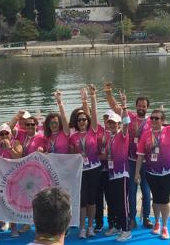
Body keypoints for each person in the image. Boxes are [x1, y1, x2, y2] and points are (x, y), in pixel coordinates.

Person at [135, 106, 170, 240]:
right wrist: (136, 173)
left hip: (168, 172)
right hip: (151, 172)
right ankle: (157, 223)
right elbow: (140, 156)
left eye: (157, 118)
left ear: (162, 120)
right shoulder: (145, 135)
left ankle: (165, 227)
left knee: (164, 200)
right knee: (155, 198)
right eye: (152, 118)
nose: (153, 120)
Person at [105, 82, 153, 229]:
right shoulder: (130, 117)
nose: (141, 108)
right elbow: (115, 108)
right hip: (131, 161)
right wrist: (108, 93)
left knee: (146, 191)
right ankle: (132, 218)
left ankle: (146, 218)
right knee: (132, 191)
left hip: (147, 162)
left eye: (144, 106)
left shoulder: (153, 121)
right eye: (139, 105)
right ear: (136, 106)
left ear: (147, 108)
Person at [69, 86, 101, 239]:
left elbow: (93, 114)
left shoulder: (93, 130)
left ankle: (90, 227)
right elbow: (70, 154)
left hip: (94, 168)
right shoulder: (73, 137)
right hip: (80, 170)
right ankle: (81, 227)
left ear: (87, 121)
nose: (82, 121)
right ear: (77, 122)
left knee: (92, 200)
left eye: (84, 119)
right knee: (82, 200)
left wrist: (91, 97)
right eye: (79, 120)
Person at [101, 90, 131, 242]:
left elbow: (127, 124)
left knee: (122, 202)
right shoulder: (110, 137)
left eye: (114, 123)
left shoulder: (122, 135)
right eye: (110, 122)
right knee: (114, 202)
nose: (112, 125)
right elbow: (107, 156)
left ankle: (126, 230)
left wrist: (124, 106)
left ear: (119, 124)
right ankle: (118, 226)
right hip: (112, 174)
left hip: (122, 174)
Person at [0, 123, 22, 239]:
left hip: (14, 178)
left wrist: (9, 148)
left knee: (12, 204)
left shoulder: (16, 143)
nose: (4, 136)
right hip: (0, 178)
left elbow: (19, 157)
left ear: (10, 134)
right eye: (1, 134)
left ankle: (13, 227)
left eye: (6, 133)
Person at [94, 109, 116, 233]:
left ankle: (112, 222)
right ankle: (99, 222)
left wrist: (106, 156)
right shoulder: (98, 131)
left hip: (109, 170)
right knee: (98, 198)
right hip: (98, 169)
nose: (107, 120)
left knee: (110, 198)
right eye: (105, 117)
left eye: (110, 118)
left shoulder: (115, 133)